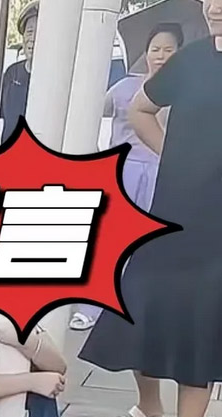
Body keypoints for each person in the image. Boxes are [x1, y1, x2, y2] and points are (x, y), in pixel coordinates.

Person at [79, 1, 222, 417]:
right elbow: (141, 109)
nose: (215, 7)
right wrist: (175, 156)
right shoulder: (191, 58)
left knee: (198, 325)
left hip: (217, 229)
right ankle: (149, 407)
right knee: (140, 306)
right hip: (170, 213)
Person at [69, 23, 184, 332]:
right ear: (145, 53)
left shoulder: (184, 91)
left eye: (169, 50)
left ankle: (143, 311)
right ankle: (91, 309)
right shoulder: (124, 88)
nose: (161, 56)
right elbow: (89, 111)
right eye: (155, 49)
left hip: (162, 173)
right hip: (122, 171)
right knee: (108, 240)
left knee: (155, 243)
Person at [0, 0, 38, 144]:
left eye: (38, 32)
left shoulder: (56, 79)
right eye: (29, 32)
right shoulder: (12, 73)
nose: (32, 39)